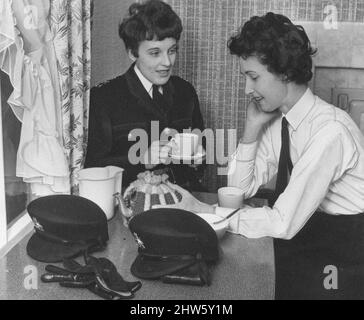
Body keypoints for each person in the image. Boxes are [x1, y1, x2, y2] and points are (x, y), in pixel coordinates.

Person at [154, 12, 364, 299]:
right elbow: (239, 190)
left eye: (253, 77)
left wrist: (205, 212)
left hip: (340, 257)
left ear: (285, 73)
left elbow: (281, 222)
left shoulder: (331, 131)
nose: (246, 89)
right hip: (304, 239)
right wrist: (251, 130)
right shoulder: (280, 119)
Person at [84, 0, 206, 190]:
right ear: (132, 53)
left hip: (183, 200)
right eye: (155, 53)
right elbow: (92, 167)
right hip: (131, 203)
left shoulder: (186, 92)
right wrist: (141, 160)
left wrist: (198, 160)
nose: (167, 62)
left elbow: (200, 159)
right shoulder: (103, 98)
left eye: (172, 51)